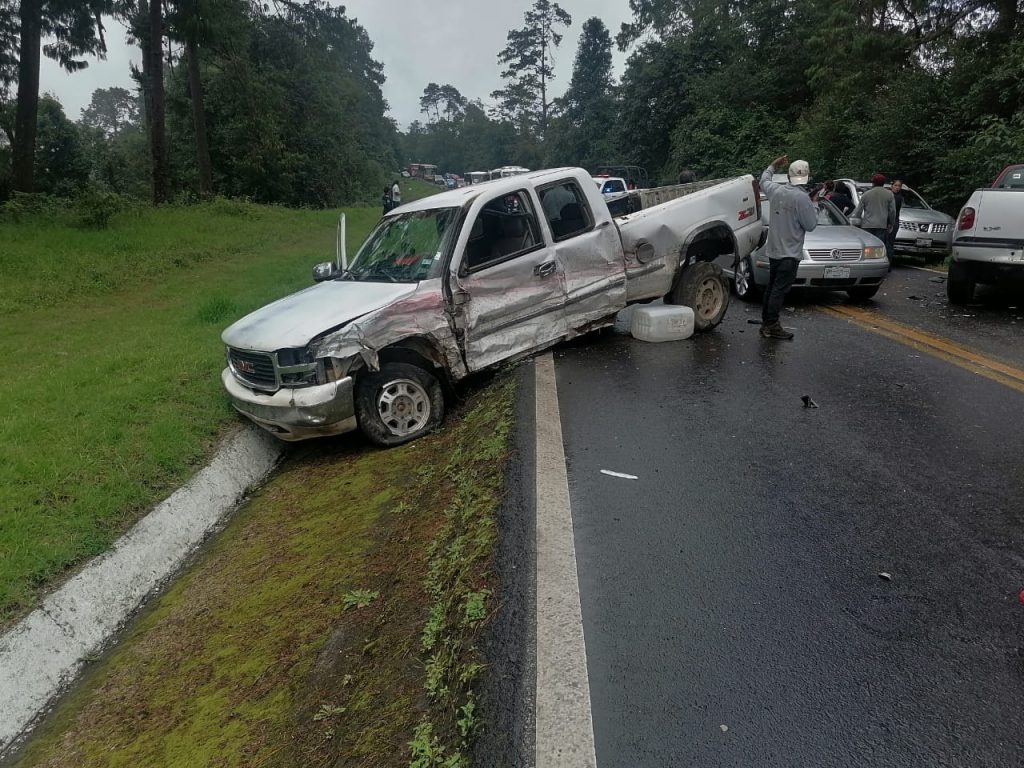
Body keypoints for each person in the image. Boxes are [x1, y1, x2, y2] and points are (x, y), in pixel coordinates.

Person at [758, 154, 819, 340]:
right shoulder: (802, 199)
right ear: (806, 176)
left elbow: (763, 180)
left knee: (772, 288)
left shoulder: (776, 190)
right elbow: (811, 225)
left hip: (774, 250)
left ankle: (766, 322)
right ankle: (772, 325)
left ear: (789, 175)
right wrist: (815, 203)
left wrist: (773, 165)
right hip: (790, 252)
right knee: (779, 290)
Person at [850, 173, 896, 265]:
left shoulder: (866, 194)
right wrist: (891, 223)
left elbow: (858, 211)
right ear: (883, 183)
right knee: (879, 246)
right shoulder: (889, 194)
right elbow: (892, 211)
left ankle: (867, 263)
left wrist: (855, 221)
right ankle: (879, 263)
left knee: (867, 246)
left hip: (867, 225)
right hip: (881, 225)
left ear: (873, 183)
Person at [888, 179, 905, 262]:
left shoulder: (898, 197)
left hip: (893, 222)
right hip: (888, 221)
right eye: (896, 185)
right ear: (892, 186)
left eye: (899, 186)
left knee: (890, 243)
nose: (897, 187)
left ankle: (889, 262)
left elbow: (893, 211)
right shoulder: (889, 194)